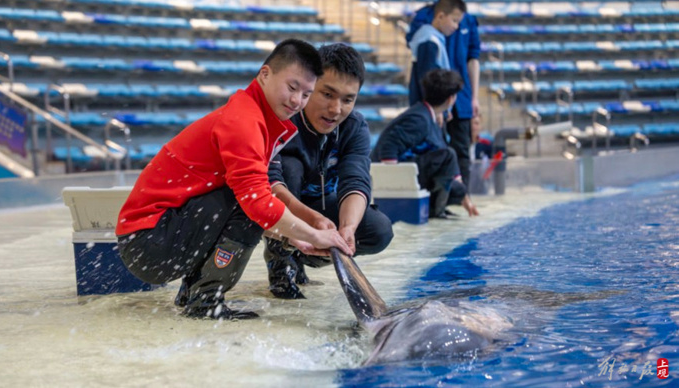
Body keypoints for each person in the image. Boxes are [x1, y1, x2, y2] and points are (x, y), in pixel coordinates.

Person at [115, 39, 352, 320]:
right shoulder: (244, 121)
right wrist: (313, 235)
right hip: (148, 242)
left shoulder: (253, 116)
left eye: (306, 94)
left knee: (251, 199)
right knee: (251, 202)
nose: (296, 101)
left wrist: (295, 237)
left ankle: (195, 293)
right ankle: (206, 301)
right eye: (292, 87)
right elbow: (256, 204)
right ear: (265, 74)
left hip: (153, 236)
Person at [264, 43, 394, 299]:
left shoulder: (354, 127)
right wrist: (307, 224)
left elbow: (356, 179)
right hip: (280, 207)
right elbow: (268, 183)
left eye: (348, 99)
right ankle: (281, 259)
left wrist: (347, 228)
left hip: (323, 204)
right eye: (327, 94)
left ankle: (303, 256)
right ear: (309, 86)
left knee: (379, 230)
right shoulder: (284, 117)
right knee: (288, 168)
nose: (336, 110)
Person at [371, 69, 478, 218]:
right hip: (394, 175)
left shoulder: (429, 116)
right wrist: (393, 189)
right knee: (449, 157)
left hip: (408, 169)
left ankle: (435, 207)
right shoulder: (419, 119)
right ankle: (436, 211)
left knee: (458, 188)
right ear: (450, 99)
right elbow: (388, 146)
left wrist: (464, 196)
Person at [407, 0, 481, 189]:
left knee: (461, 150)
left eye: (458, 22)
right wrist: (434, 105)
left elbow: (473, 59)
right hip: (434, 99)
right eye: (454, 21)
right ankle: (436, 199)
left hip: (460, 96)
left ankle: (460, 196)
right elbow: (423, 64)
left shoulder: (467, 19)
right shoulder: (425, 20)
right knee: (434, 148)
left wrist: (474, 97)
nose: (456, 26)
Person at [407, 0, 466, 107]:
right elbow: (427, 82)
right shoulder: (429, 41)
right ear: (440, 16)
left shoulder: (436, 39)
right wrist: (435, 108)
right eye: (454, 21)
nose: (456, 26)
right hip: (429, 110)